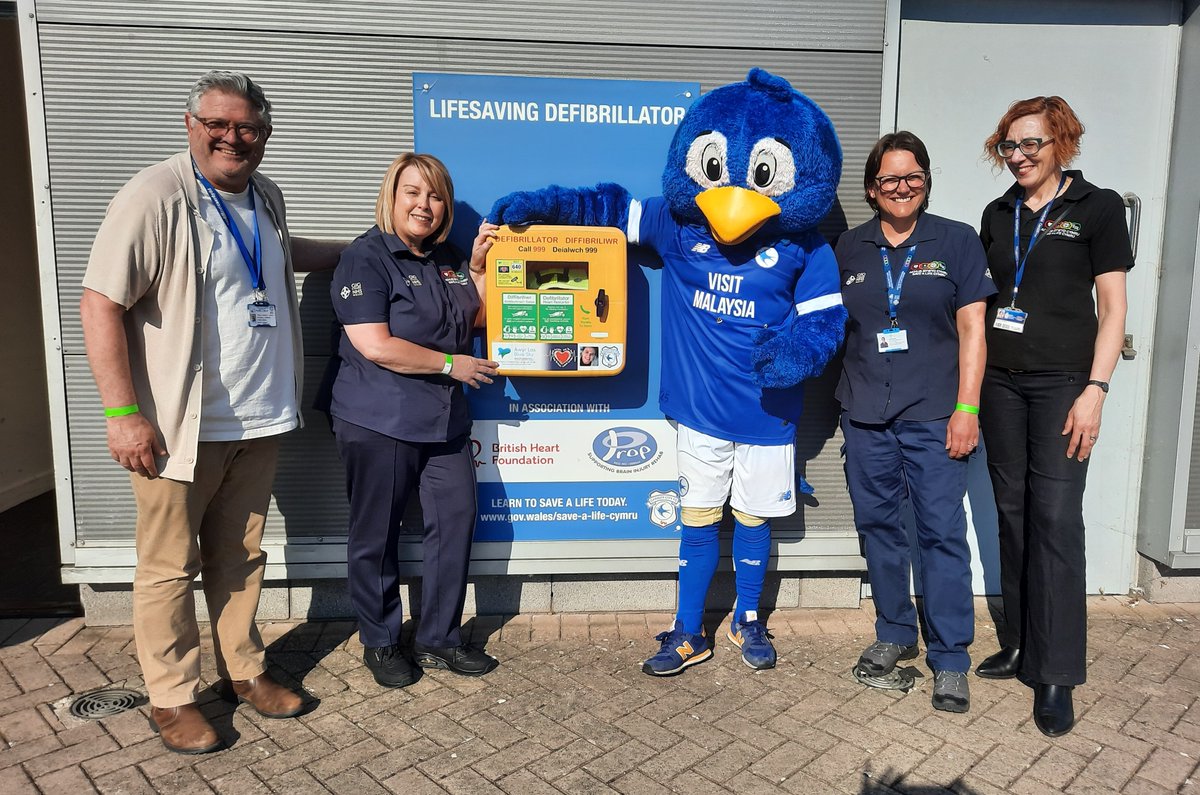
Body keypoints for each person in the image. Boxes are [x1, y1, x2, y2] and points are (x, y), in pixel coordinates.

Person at [80, 70, 343, 754]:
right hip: (176, 429)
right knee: (169, 566)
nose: (233, 137)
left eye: (248, 127)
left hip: (258, 422)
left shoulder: (267, 195)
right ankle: (172, 696)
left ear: (266, 134)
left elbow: (283, 261)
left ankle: (245, 670)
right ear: (190, 124)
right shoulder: (155, 195)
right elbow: (100, 301)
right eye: (217, 124)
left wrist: (374, 247)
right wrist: (121, 412)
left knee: (242, 555)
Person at [975, 97, 1131, 737]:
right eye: (1009, 146)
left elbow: (1114, 308)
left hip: (1066, 384)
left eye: (1031, 144)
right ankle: (1019, 643)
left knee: (1057, 519)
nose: (1018, 156)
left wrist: (1096, 388)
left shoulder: (1096, 208)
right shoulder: (998, 212)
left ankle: (1058, 671)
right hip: (1001, 385)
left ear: (1060, 143)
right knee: (1012, 511)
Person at [320, 153, 500, 688]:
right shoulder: (366, 257)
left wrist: (478, 271)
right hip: (379, 419)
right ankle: (379, 641)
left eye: (436, 195)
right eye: (413, 193)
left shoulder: (445, 259)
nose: (425, 205)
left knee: (456, 522)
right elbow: (375, 344)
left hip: (444, 422)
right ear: (391, 197)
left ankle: (439, 638)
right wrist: (452, 365)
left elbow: (477, 318)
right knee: (376, 534)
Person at [835, 132, 994, 713]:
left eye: (912, 176)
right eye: (888, 179)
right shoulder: (849, 248)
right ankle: (895, 632)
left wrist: (968, 407)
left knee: (941, 535)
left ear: (926, 179)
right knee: (879, 530)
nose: (901, 187)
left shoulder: (956, 241)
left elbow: (975, 331)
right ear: (873, 190)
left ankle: (950, 658)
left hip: (935, 416)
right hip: (866, 416)